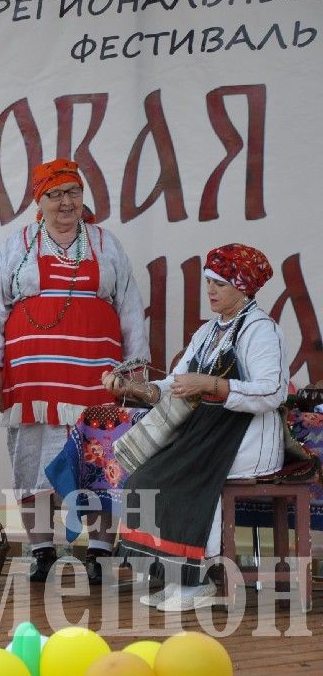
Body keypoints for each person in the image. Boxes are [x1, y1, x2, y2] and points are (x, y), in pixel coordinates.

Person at [0, 158, 148, 583]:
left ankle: (100, 551)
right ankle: (41, 551)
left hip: (97, 372)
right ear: (40, 200)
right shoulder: (17, 245)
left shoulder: (107, 244)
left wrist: (137, 371)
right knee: (32, 455)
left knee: (99, 452)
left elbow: (129, 306)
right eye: (55, 194)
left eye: (73, 192)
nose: (65, 202)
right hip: (33, 374)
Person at [104, 243, 285, 612]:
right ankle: (173, 577)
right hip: (208, 433)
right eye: (208, 282)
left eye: (220, 283)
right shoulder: (207, 332)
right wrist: (133, 388)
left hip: (245, 438)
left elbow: (272, 391)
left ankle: (197, 581)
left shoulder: (260, 329)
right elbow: (175, 382)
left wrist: (211, 385)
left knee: (180, 476)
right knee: (145, 477)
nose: (211, 291)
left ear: (244, 286)